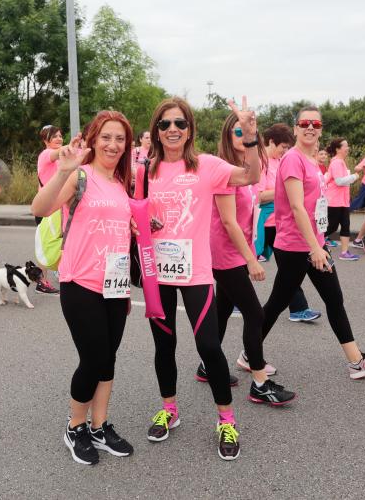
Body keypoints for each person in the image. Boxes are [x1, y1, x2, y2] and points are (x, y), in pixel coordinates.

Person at [137, 96, 261, 461]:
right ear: (156, 131)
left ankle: (226, 420)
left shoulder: (207, 166)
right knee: (164, 346)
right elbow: (137, 212)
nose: (172, 130)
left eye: (180, 123)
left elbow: (251, 176)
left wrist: (251, 137)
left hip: (196, 273)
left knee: (208, 345)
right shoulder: (146, 170)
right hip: (158, 272)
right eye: (165, 124)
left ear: (189, 129)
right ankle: (170, 410)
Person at [32, 110, 136, 466]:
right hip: (80, 283)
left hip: (115, 285)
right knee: (92, 360)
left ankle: (99, 425)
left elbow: (119, 228)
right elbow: (40, 207)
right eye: (106, 137)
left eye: (120, 138)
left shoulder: (123, 184)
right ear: (93, 139)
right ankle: (75, 426)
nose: (113, 144)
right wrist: (63, 168)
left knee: (108, 359)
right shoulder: (80, 176)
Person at [261, 106, 365, 382]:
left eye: (316, 124)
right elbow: (296, 207)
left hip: (311, 243)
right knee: (278, 303)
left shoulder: (310, 160)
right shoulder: (293, 159)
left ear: (321, 128)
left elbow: (313, 207)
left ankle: (356, 361)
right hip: (296, 247)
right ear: (295, 128)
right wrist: (315, 248)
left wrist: (320, 242)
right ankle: (249, 355)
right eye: (305, 123)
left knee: (332, 299)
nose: (310, 127)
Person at [209, 112, 296, 405]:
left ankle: (208, 364)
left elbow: (255, 181)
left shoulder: (243, 168)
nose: (243, 137)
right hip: (226, 252)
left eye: (247, 133)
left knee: (222, 309)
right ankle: (259, 382)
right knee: (255, 314)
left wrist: (250, 135)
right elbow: (228, 222)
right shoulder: (223, 169)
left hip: (234, 250)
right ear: (226, 136)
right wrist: (251, 259)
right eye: (237, 132)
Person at [256, 125, 321, 324]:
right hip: (263, 223)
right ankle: (231, 299)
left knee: (289, 272)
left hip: (280, 222)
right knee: (246, 264)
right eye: (282, 146)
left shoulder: (279, 161)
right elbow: (257, 197)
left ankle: (298, 308)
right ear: (271, 142)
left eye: (287, 147)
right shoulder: (260, 162)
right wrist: (284, 191)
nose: (284, 150)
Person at [33, 125, 63, 294]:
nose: (59, 139)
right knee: (46, 246)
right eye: (55, 136)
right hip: (47, 209)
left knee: (59, 242)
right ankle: (41, 282)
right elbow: (61, 153)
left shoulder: (56, 158)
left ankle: (60, 271)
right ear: (45, 140)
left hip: (56, 207)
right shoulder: (47, 154)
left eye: (60, 135)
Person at [324, 138, 360, 261]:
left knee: (345, 226)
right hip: (334, 201)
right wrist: (354, 176)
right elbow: (339, 181)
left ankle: (344, 253)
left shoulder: (340, 162)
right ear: (338, 149)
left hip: (342, 201)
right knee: (332, 227)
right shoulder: (336, 162)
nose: (348, 148)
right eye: (345, 146)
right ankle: (311, 243)